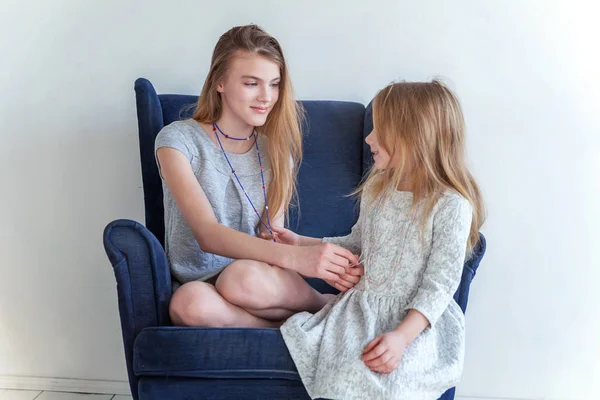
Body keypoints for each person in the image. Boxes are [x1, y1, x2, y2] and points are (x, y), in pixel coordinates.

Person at [277, 80, 486, 399]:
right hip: (362, 310)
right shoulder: (378, 193)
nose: (368, 138)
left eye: (380, 130)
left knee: (396, 384)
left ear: (414, 136)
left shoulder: (451, 206)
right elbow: (358, 244)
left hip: (413, 324)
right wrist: (299, 242)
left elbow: (440, 284)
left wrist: (401, 338)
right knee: (341, 372)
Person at [155, 24, 363, 329]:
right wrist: (298, 260)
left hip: (254, 279)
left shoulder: (276, 150)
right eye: (252, 83)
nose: (267, 97)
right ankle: (290, 330)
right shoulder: (177, 140)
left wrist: (317, 255)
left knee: (240, 279)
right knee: (187, 304)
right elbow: (207, 234)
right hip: (200, 282)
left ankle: (325, 306)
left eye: (274, 84)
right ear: (220, 83)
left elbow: (271, 234)